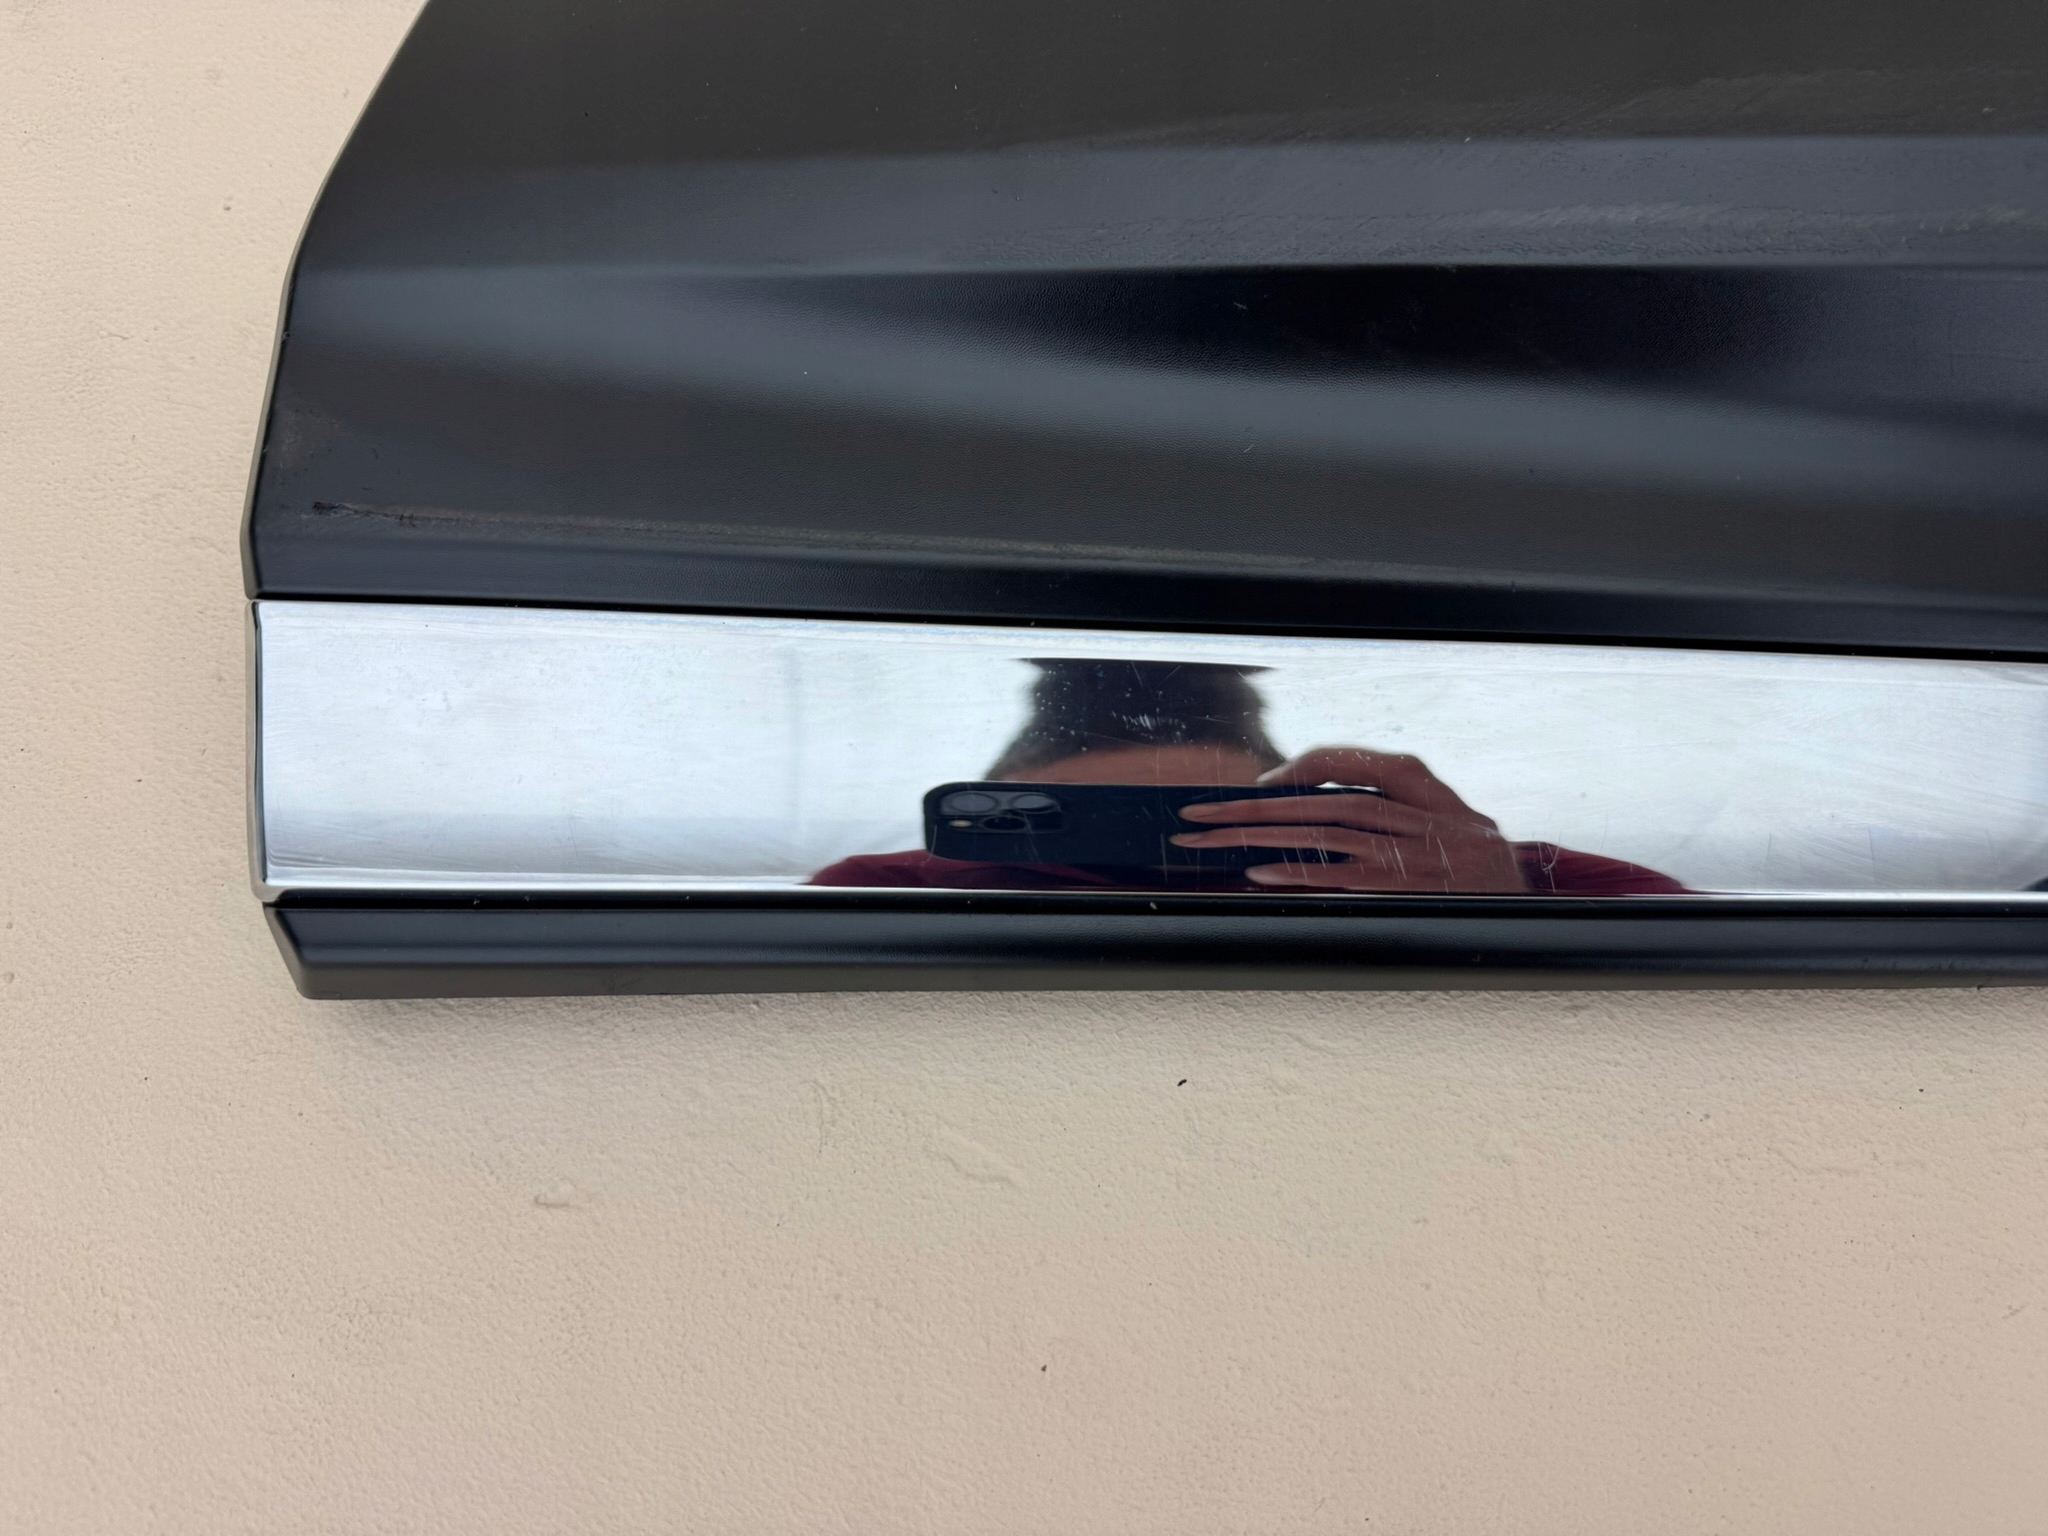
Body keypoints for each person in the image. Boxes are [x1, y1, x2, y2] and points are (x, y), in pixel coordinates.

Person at [810, 659, 1683, 895]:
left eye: (1219, 819)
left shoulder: (1483, 874)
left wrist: (1502, 902)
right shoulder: (886, 890)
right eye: (1098, 826)